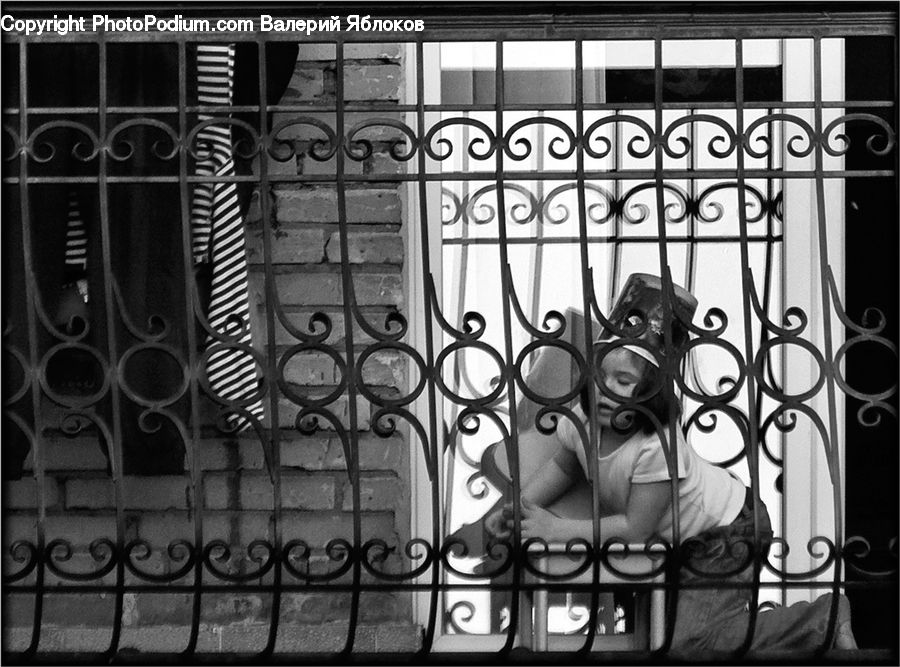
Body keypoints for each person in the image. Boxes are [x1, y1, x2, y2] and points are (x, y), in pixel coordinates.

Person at [485, 273, 857, 656]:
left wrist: (556, 529)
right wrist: (519, 508)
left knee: (692, 643)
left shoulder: (656, 444)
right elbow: (563, 468)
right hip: (679, 540)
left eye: (624, 381)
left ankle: (820, 619)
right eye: (599, 377)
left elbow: (635, 527)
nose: (607, 390)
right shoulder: (580, 419)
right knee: (673, 641)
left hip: (727, 531)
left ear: (650, 390)